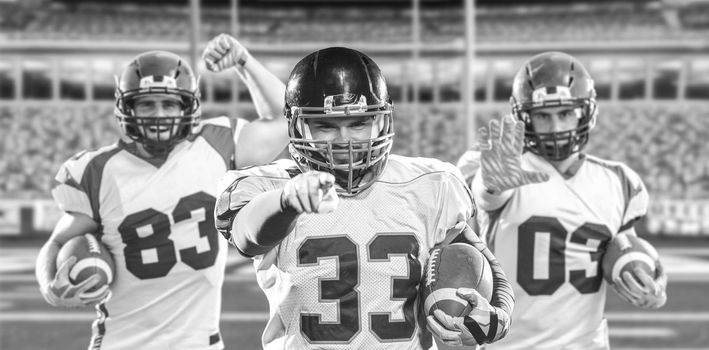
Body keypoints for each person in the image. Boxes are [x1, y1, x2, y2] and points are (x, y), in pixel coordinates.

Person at [214, 46, 514, 349]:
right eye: (325, 126)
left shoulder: (428, 184)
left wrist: (496, 315)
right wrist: (286, 203)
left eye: (358, 123)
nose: (344, 140)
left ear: (382, 120)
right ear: (297, 126)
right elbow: (246, 236)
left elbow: (475, 257)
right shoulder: (270, 187)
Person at [34, 34, 288, 350]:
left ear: (188, 105)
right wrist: (49, 283)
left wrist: (244, 61)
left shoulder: (218, 144)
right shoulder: (96, 170)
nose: (158, 113)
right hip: (121, 343)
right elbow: (57, 241)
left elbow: (285, 118)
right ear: (127, 107)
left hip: (198, 343)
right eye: (147, 103)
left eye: (169, 102)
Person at [460, 51, 668, 349]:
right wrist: (489, 186)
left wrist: (650, 279)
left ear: (585, 113)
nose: (556, 128)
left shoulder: (618, 181)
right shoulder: (500, 166)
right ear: (525, 117)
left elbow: (625, 247)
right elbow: (488, 194)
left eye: (565, 114)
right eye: (543, 116)